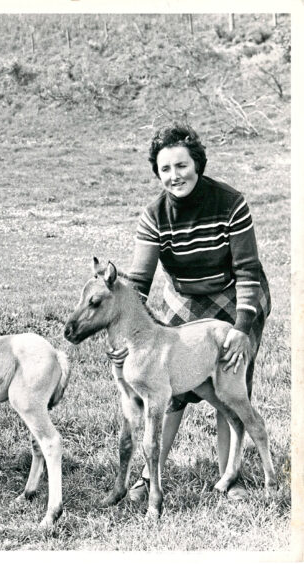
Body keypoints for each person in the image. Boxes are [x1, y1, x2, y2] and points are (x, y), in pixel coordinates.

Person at [112, 123, 271, 502]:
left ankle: (229, 477)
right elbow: (137, 284)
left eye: (181, 166)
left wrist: (241, 328)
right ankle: (151, 478)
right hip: (183, 300)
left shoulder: (231, 203)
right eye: (165, 169)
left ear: (196, 163)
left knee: (228, 388)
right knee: (166, 388)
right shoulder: (153, 216)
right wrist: (123, 338)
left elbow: (248, 271)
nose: (174, 176)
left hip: (236, 299)